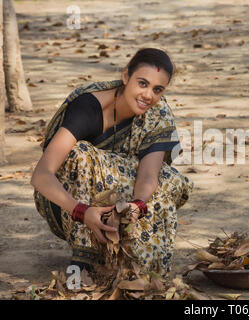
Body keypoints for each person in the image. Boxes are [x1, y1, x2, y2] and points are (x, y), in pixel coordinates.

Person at [31, 48, 194, 278]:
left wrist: (138, 205)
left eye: (157, 89)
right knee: (81, 154)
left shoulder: (158, 113)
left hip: (119, 197)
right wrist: (82, 211)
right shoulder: (89, 107)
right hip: (64, 202)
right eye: (142, 83)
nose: (148, 95)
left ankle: (123, 251)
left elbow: (148, 174)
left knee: (169, 179)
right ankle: (84, 259)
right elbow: (41, 175)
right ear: (126, 76)